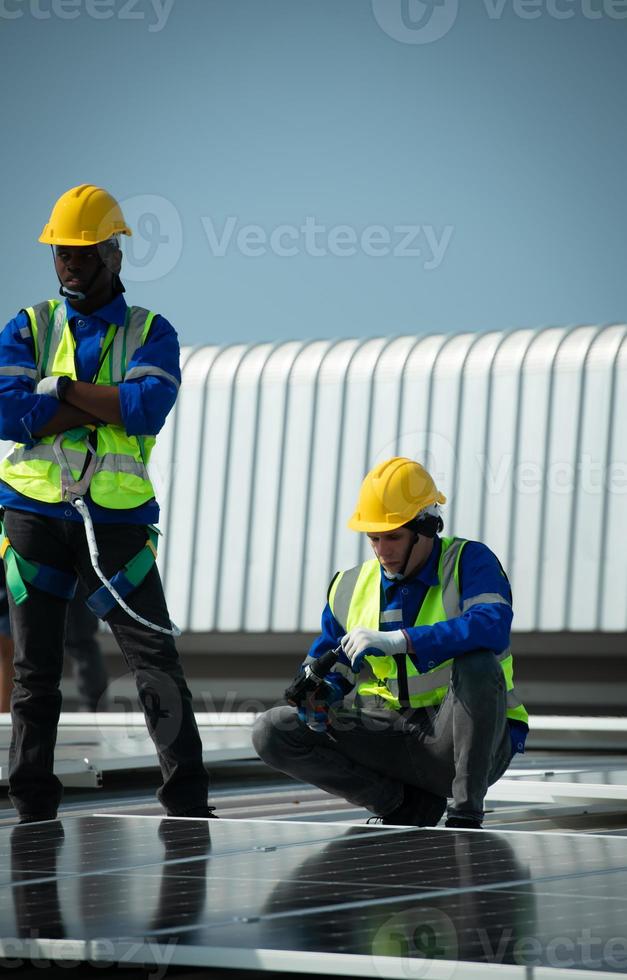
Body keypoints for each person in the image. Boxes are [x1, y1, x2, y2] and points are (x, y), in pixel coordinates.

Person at [0, 184, 215, 823]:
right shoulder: (29, 324)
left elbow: (146, 406)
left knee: (154, 665)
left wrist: (58, 389)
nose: (71, 265)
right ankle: (32, 807)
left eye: (85, 254)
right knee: (35, 673)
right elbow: (7, 410)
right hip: (34, 514)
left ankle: (188, 803)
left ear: (114, 254)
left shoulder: (153, 330)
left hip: (118, 523)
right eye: (62, 254)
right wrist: (103, 400)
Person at [253, 456, 529, 829]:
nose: (383, 549)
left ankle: (465, 815)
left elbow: (491, 627)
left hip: (459, 745)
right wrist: (321, 696)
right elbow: (329, 665)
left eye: (393, 536)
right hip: (388, 734)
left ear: (427, 527)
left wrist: (401, 641)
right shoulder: (349, 587)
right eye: (374, 538)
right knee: (272, 731)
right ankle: (401, 806)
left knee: (477, 664)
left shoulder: (469, 562)